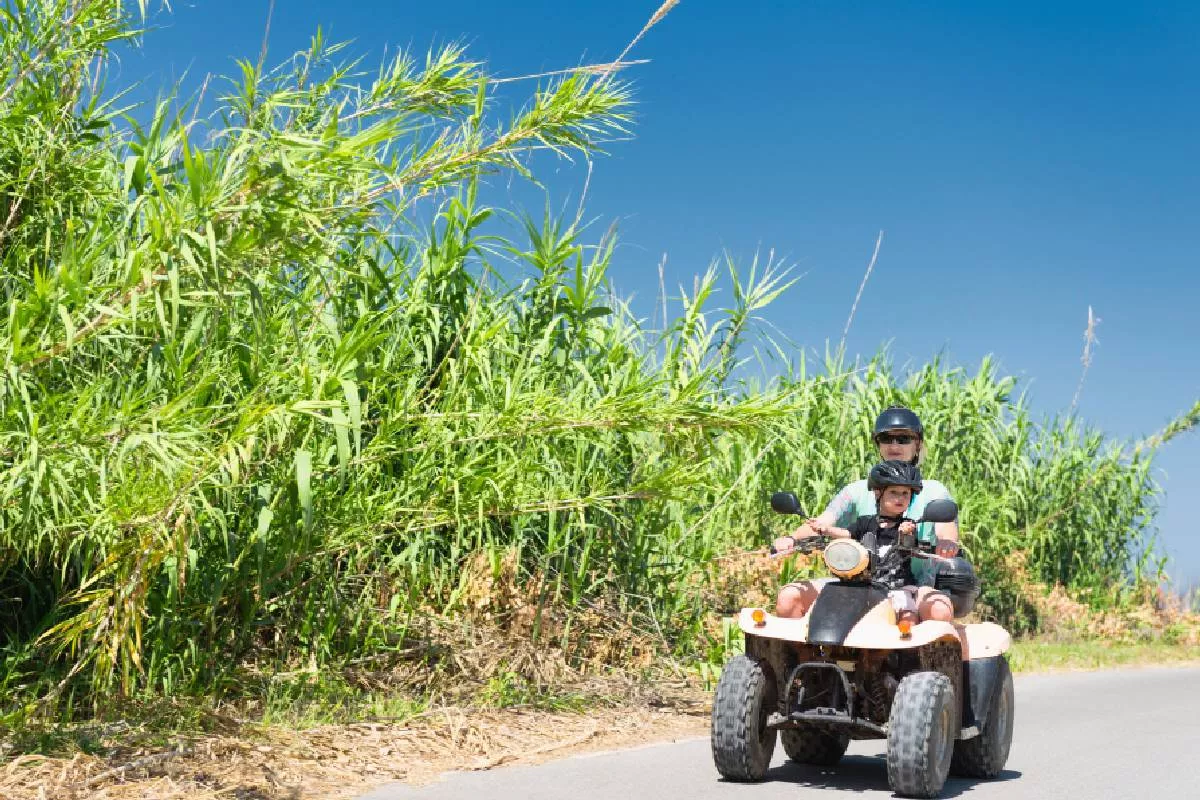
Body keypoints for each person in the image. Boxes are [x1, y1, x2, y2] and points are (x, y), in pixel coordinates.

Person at [772, 405, 959, 621]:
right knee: (789, 598)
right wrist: (791, 539)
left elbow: (946, 528)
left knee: (939, 611)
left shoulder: (934, 490)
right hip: (855, 582)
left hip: (912, 587)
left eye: (903, 438)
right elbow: (822, 522)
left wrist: (946, 543)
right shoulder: (856, 490)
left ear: (917, 444)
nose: (894, 445)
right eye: (886, 438)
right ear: (878, 444)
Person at [807, 460, 954, 625]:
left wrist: (906, 533)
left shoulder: (908, 525)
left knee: (908, 616)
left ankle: (906, 640)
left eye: (905, 493)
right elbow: (847, 534)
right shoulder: (865, 522)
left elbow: (908, 543)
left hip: (898, 587)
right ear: (878, 493)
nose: (900, 498)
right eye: (893, 492)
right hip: (862, 585)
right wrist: (826, 529)